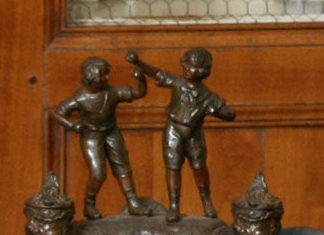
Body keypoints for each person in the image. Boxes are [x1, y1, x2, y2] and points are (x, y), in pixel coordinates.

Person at [129, 44, 234, 220]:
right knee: (173, 167)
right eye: (186, 64)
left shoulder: (207, 95)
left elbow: (230, 114)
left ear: (203, 71)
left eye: (192, 66)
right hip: (173, 130)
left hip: (194, 134)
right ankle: (174, 205)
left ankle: (206, 202)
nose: (187, 69)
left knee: (199, 167)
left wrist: (216, 110)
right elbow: (158, 74)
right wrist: (139, 62)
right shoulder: (178, 83)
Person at [51, 54, 144, 218]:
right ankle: (89, 205)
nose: (106, 78)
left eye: (106, 74)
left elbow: (138, 93)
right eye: (102, 75)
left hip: (112, 132)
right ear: (90, 77)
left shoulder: (112, 93)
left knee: (123, 168)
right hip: (92, 136)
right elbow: (57, 113)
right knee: (98, 174)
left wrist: (141, 79)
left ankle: (133, 203)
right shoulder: (80, 98)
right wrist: (72, 125)